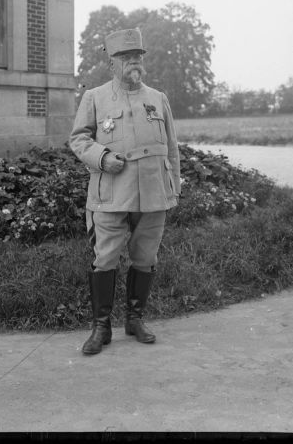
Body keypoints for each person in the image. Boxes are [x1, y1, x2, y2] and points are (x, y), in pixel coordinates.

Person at [69, 28, 181, 355]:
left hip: (154, 191)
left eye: (138, 56)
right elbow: (78, 139)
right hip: (111, 192)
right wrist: (102, 158)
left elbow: (172, 147)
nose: (133, 62)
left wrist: (173, 185)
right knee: (105, 258)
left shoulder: (158, 98)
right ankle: (101, 327)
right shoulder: (95, 97)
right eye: (125, 57)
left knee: (145, 258)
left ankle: (135, 319)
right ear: (111, 63)